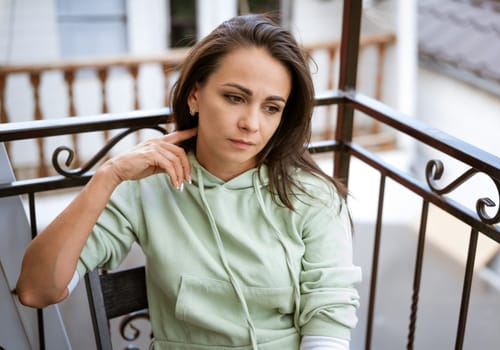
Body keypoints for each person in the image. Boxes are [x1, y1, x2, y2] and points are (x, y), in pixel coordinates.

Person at [16, 13, 361, 350]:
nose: (251, 123)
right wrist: (108, 176)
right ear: (195, 95)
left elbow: (328, 322)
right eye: (235, 98)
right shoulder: (145, 186)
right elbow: (37, 289)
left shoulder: (312, 196)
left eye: (271, 107)